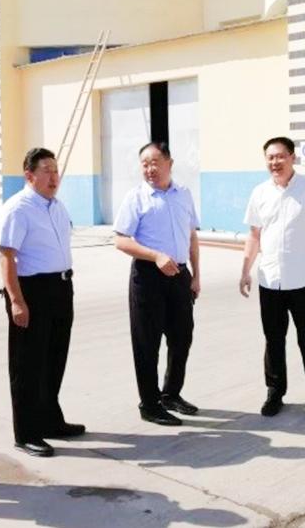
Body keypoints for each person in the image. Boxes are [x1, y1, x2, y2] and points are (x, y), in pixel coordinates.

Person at [0, 148, 85, 457]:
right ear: (29, 175)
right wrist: (16, 301)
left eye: (56, 170)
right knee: (28, 365)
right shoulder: (18, 208)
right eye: (46, 170)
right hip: (32, 291)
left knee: (54, 359)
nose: (53, 177)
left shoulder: (57, 206)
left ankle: (50, 420)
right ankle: (27, 433)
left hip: (60, 287)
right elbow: (6, 256)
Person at [240, 137, 305, 420]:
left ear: (292, 157)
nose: (275, 162)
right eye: (270, 157)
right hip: (270, 281)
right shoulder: (259, 193)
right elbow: (254, 235)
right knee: (273, 340)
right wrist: (245, 270)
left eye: (280, 156)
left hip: (303, 280)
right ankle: (275, 393)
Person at [114, 142, 201, 426]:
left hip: (180, 275)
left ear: (169, 163)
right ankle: (150, 404)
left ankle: (171, 394)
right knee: (147, 342)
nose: (150, 169)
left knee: (182, 337)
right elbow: (121, 240)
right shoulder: (136, 197)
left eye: (155, 162)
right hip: (148, 276)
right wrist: (155, 256)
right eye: (144, 163)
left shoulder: (184, 194)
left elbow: (191, 236)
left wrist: (196, 275)